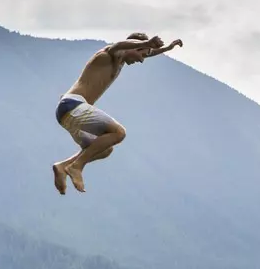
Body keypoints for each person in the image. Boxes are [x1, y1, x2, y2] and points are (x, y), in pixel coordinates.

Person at [52, 33, 181, 194]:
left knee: (105, 149)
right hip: (72, 105)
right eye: (141, 54)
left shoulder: (120, 63)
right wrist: (148, 42)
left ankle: (63, 166)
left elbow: (143, 52)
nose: (141, 60)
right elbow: (119, 45)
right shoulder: (108, 55)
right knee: (119, 133)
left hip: (67, 115)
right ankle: (77, 166)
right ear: (133, 47)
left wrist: (166, 48)